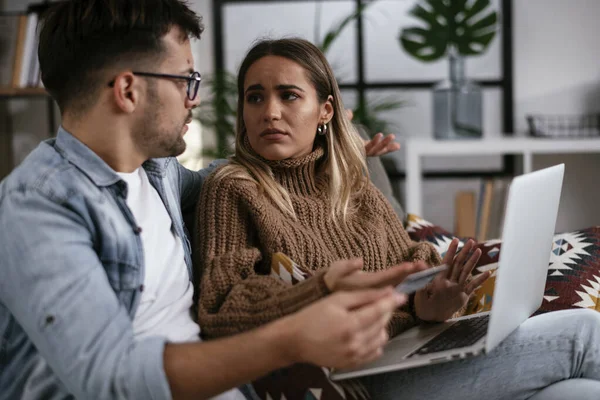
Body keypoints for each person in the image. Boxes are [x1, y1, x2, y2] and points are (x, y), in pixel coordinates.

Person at [0, 2, 424, 399]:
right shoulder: (37, 208)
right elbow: (112, 379)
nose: (196, 99)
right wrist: (292, 337)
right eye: (186, 80)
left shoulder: (159, 173)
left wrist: (333, 151)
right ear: (128, 90)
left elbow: (249, 176)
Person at [195, 37, 600, 399]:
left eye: (288, 96)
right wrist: (325, 288)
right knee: (584, 332)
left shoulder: (354, 186)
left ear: (325, 111)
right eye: (255, 97)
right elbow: (223, 305)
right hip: (357, 374)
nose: (270, 112)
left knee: (575, 392)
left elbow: (407, 262)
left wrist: (434, 301)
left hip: (411, 350)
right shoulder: (233, 188)